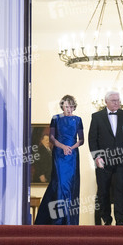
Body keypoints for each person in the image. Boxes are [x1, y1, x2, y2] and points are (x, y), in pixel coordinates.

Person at [34, 95, 84, 225]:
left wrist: (71, 148)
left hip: (72, 155)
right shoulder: (55, 118)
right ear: (62, 106)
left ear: (74, 107)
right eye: (66, 106)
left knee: (70, 185)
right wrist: (63, 147)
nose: (69, 109)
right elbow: (51, 137)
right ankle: (58, 220)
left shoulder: (78, 120)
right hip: (59, 154)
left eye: (71, 106)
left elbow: (82, 139)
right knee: (60, 184)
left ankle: (69, 220)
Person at [88, 91, 123, 226]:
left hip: (121, 160)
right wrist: (96, 157)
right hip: (103, 161)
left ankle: (120, 220)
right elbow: (92, 139)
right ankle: (106, 220)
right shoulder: (97, 117)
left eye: (118, 100)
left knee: (121, 190)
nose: (117, 103)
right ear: (106, 102)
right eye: (114, 100)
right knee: (103, 191)